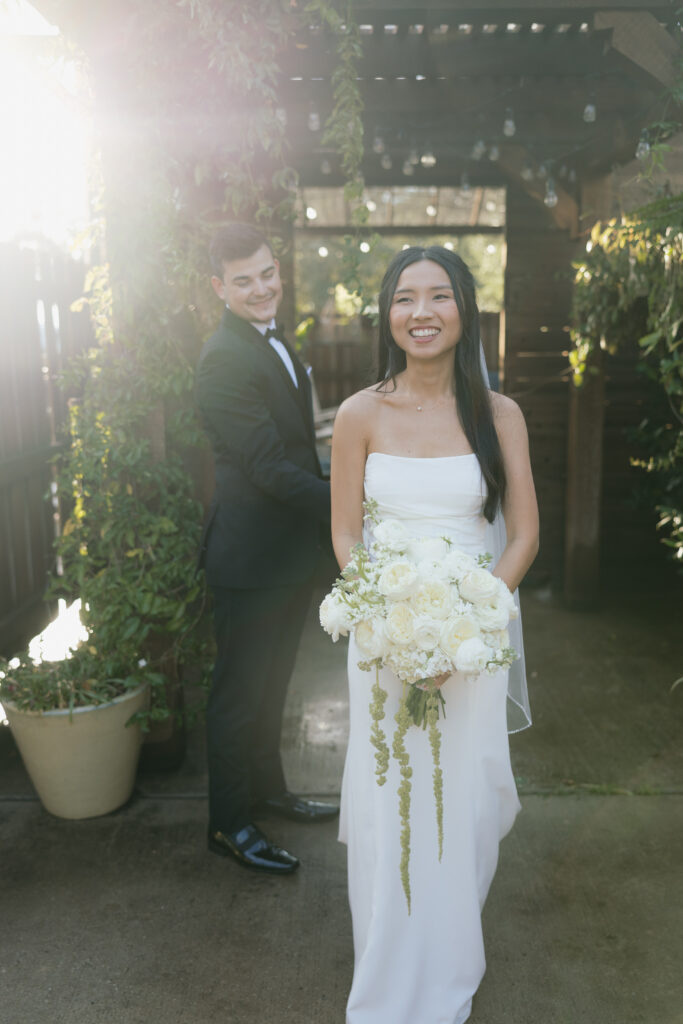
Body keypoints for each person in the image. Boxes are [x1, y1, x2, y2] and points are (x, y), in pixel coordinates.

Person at [331, 245, 539, 1023]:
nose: (421, 312)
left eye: (439, 296)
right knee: (392, 804)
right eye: (404, 298)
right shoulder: (358, 414)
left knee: (467, 803)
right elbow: (346, 536)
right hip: (382, 643)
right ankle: (385, 976)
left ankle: (449, 962)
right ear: (386, 315)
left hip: (470, 641)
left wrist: (469, 619)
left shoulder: (499, 414)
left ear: (464, 312)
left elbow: (522, 537)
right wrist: (386, 620)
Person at [195, 222, 338, 876]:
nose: (261, 288)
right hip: (249, 562)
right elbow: (268, 467)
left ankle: (269, 792)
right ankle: (228, 824)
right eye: (243, 280)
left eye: (267, 273)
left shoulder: (273, 337)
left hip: (286, 555)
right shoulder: (224, 357)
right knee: (237, 695)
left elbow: (295, 444)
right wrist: (350, 499)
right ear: (219, 288)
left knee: (274, 684)